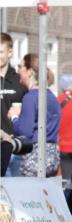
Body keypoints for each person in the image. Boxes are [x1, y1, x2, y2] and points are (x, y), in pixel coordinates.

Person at [8, 54, 61, 177]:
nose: (17, 70)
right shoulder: (52, 97)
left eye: (20, 66)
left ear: (30, 72)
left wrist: (14, 117)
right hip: (52, 158)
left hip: (33, 159)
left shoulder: (30, 98)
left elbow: (25, 133)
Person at [1, 32, 27, 175]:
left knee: (15, 191)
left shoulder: (19, 81)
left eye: (1, 52)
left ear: (10, 52)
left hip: (15, 147)